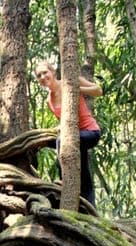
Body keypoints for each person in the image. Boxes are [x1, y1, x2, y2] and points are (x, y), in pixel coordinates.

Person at [35, 61, 103, 207]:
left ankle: (63, 180)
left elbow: (98, 90)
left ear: (53, 72)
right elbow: (65, 122)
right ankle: (91, 212)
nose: (43, 76)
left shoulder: (71, 81)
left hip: (90, 133)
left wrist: (77, 89)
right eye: (39, 75)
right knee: (84, 177)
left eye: (45, 72)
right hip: (75, 137)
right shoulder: (49, 101)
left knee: (62, 141)